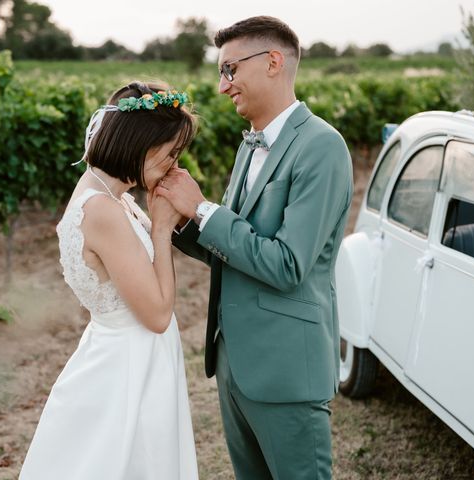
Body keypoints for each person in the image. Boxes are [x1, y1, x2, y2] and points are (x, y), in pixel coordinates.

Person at [156, 16, 353, 480]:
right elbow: (237, 249)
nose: (223, 86)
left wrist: (203, 209)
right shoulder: (250, 146)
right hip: (234, 364)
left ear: (272, 62)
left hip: (286, 370)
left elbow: (287, 265)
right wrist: (180, 218)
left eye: (229, 69)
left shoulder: (322, 147)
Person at [19, 81, 199, 480]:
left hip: (130, 354)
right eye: (170, 152)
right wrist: (162, 229)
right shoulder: (102, 208)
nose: (174, 163)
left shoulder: (111, 196)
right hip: (126, 366)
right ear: (140, 145)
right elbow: (156, 315)